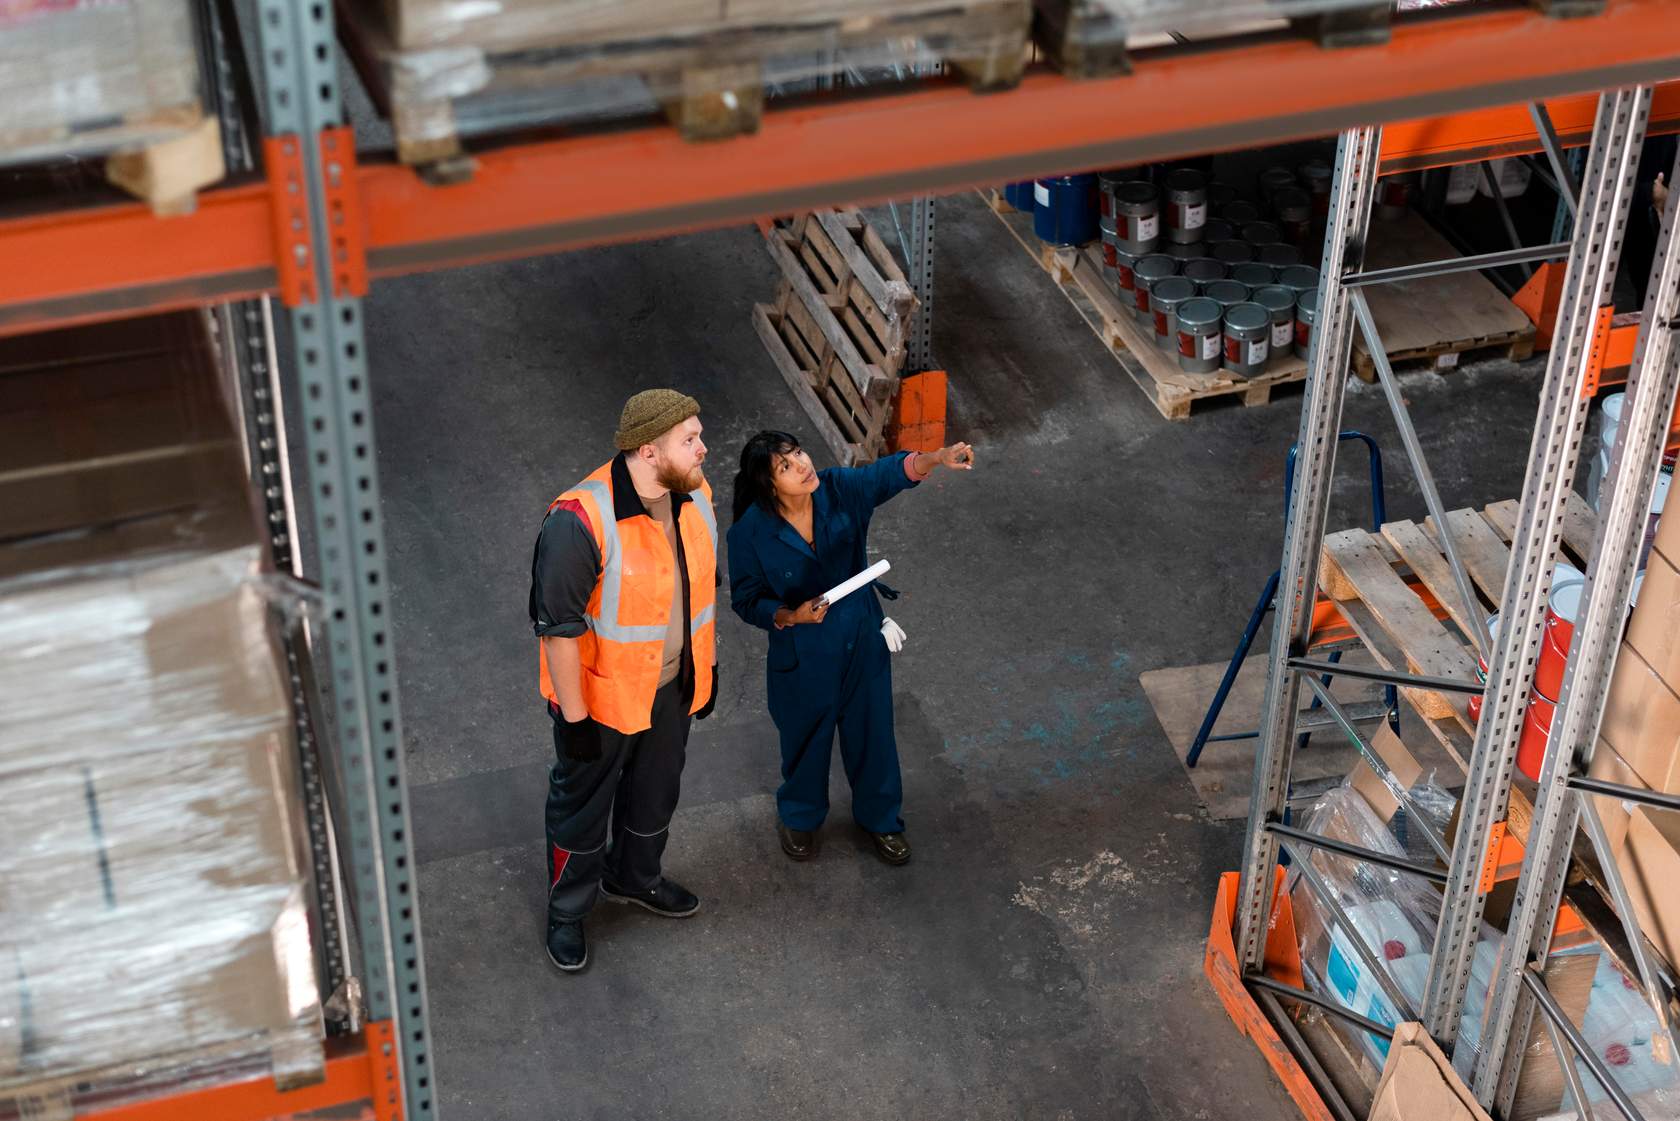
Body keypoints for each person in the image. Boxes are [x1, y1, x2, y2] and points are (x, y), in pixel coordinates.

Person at [527, 389, 718, 973]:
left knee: (655, 793)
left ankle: (635, 878)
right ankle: (567, 912)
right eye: (689, 440)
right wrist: (577, 720)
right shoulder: (580, 518)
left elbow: (697, 588)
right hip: (602, 701)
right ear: (646, 450)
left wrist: (702, 668)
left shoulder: (694, 495)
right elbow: (558, 629)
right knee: (583, 810)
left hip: (671, 689)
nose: (704, 448)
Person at [726, 433, 973, 866]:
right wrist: (790, 615)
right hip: (803, 653)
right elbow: (746, 600)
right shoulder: (749, 534)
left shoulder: (838, 488)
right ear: (768, 486)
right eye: (785, 467)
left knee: (873, 732)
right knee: (805, 738)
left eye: (798, 454)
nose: (802, 465)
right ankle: (801, 817)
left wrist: (935, 458)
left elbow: (887, 475)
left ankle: (881, 819)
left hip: (860, 636)